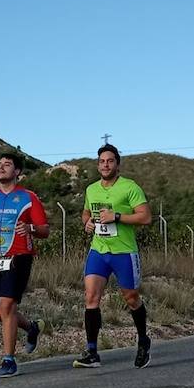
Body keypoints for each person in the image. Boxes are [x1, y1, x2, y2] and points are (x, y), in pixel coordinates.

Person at [0, 153, 50, 378]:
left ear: (17, 172)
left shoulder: (28, 197)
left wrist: (31, 229)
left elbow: (44, 229)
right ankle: (32, 328)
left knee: (7, 307)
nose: (1, 167)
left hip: (20, 257)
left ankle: (9, 360)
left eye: (7, 165)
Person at [74, 144, 153, 369]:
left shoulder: (130, 187)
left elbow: (145, 217)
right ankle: (91, 351)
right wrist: (86, 222)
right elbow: (86, 211)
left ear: (117, 164)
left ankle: (143, 341)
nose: (105, 165)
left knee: (131, 298)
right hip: (99, 250)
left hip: (124, 252)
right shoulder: (91, 189)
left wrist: (116, 216)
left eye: (110, 161)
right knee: (91, 297)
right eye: (102, 161)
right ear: (98, 165)